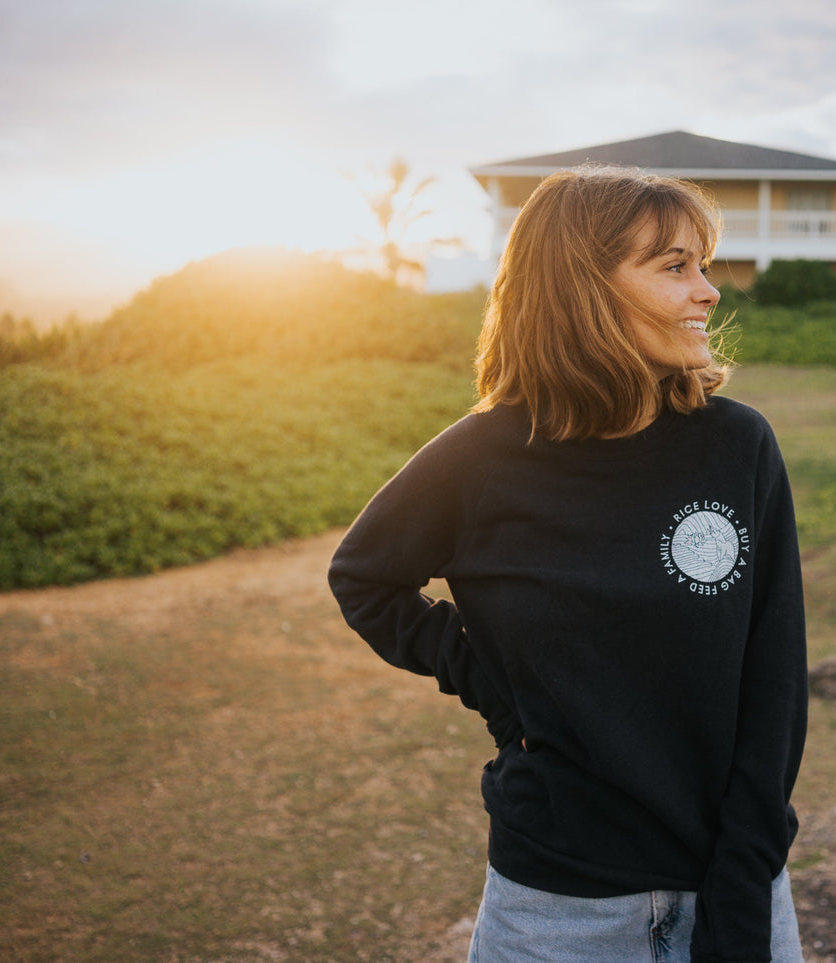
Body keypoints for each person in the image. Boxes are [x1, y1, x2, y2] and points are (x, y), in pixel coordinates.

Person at [328, 165, 808, 963]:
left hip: (734, 887)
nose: (708, 291)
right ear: (582, 289)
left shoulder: (735, 445)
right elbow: (364, 576)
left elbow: (775, 679)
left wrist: (741, 889)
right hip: (553, 911)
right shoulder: (482, 457)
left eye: (703, 263)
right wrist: (499, 690)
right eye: (674, 266)